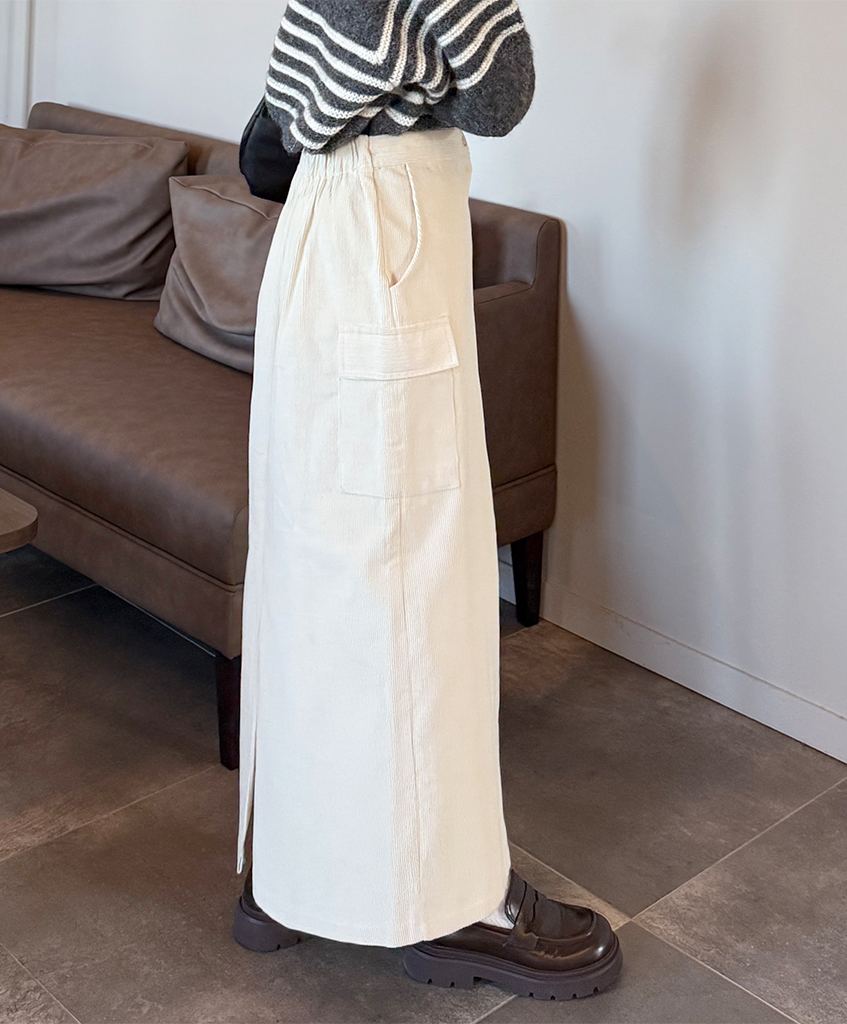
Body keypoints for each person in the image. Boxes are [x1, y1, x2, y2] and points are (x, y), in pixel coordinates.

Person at [232, 0, 623, 1001]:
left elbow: (268, 141)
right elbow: (502, 93)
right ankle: (452, 905)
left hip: (328, 235)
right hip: (383, 237)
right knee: (413, 583)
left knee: (323, 565)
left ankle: (296, 867)